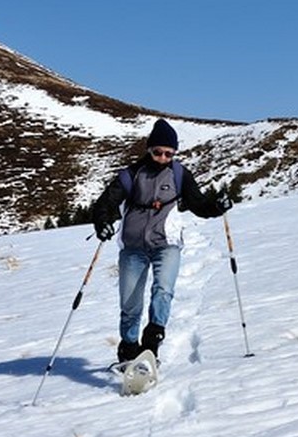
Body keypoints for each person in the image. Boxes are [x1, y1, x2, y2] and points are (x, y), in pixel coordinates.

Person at [90, 118, 232, 364]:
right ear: (149, 150)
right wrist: (102, 222)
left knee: (163, 290)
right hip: (133, 247)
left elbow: (198, 204)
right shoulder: (130, 175)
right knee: (130, 303)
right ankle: (129, 349)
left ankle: (152, 342)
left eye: (169, 154)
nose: (163, 158)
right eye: (158, 153)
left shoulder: (179, 174)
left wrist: (216, 207)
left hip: (166, 244)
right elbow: (105, 204)